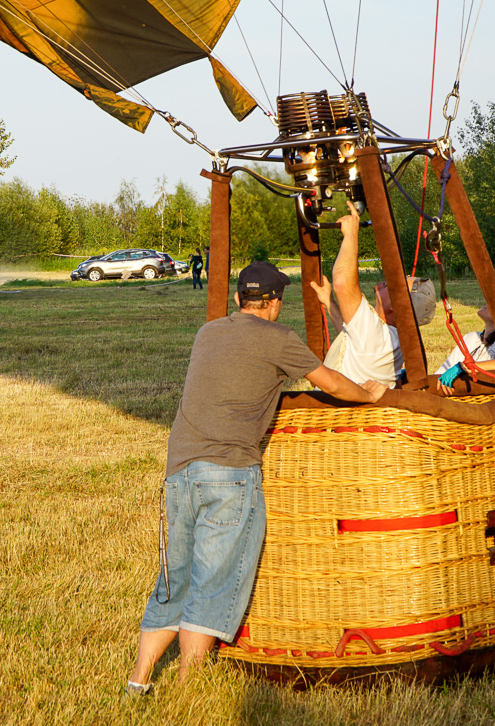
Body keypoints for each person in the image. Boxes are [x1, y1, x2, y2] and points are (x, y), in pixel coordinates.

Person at [126, 262, 385, 694]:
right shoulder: (278, 339)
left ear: (237, 300)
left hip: (178, 472)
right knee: (212, 583)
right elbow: (333, 384)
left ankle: (138, 680)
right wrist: (371, 394)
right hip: (228, 471)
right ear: (276, 303)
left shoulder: (208, 332)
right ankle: (189, 687)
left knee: (175, 578)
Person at [310, 204, 436, 388]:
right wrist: (329, 303)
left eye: (396, 286)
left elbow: (342, 283)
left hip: (336, 412)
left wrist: (351, 234)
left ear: (397, 308)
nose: (389, 281)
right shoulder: (390, 337)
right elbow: (352, 335)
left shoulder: (378, 335)